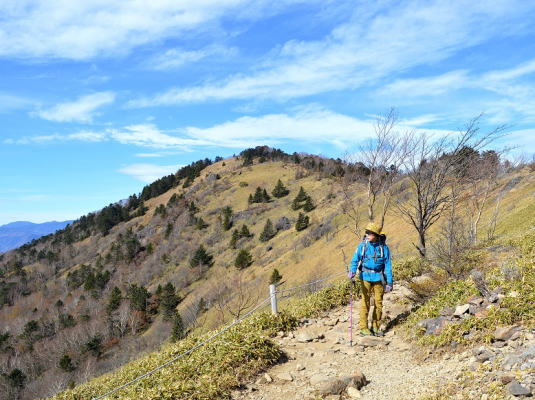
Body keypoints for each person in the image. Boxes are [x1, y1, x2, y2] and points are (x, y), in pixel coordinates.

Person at [348, 222, 393, 337]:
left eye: (369, 233)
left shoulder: (384, 248)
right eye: (366, 232)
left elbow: (388, 265)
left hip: (379, 278)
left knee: (378, 303)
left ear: (376, 235)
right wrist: (352, 271)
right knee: (365, 302)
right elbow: (355, 259)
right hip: (365, 277)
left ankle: (375, 327)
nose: (367, 234)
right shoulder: (362, 246)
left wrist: (389, 282)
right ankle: (363, 328)